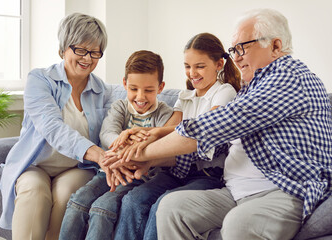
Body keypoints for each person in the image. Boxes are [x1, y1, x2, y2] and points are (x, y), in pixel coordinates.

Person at [113, 8, 332, 240]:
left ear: (276, 46)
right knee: (172, 208)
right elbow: (214, 146)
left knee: (238, 224)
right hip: (235, 191)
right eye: (233, 50)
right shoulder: (253, 86)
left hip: (283, 190)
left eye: (242, 48)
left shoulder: (288, 78)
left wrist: (139, 154)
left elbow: (212, 127)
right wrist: (149, 160)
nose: (235, 57)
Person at [105, 32, 241, 240]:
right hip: (177, 170)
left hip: (207, 175)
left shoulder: (225, 92)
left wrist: (152, 136)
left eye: (200, 66)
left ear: (219, 64)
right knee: (133, 200)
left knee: (162, 205)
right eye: (187, 66)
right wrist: (135, 138)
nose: (192, 73)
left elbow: (200, 129)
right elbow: (169, 132)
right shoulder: (184, 97)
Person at [0, 13, 114, 240]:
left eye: (94, 52)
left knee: (66, 196)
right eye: (80, 49)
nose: (87, 58)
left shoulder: (104, 91)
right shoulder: (39, 80)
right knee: (34, 192)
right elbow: (51, 127)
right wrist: (97, 153)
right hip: (35, 165)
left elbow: (112, 126)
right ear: (63, 49)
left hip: (75, 168)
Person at [59, 50, 174, 240]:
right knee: (78, 201)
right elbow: (106, 134)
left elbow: (161, 146)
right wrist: (125, 139)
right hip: (109, 171)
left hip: (138, 177)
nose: (140, 97)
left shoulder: (164, 114)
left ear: (160, 87)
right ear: (124, 84)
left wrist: (131, 150)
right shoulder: (120, 107)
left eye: (149, 90)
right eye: (134, 88)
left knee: (102, 209)